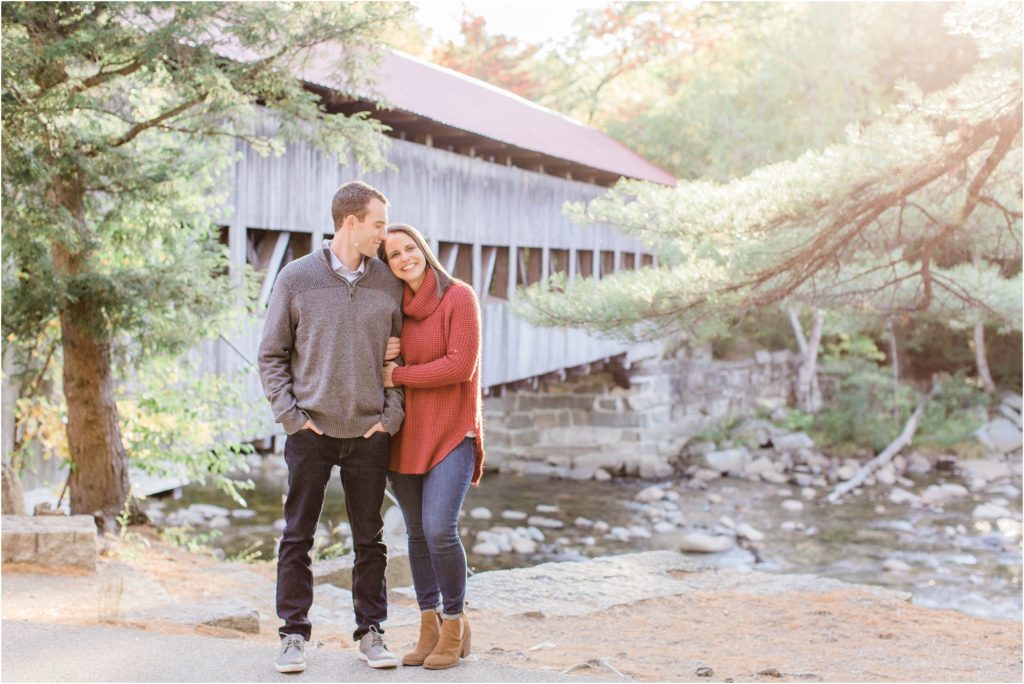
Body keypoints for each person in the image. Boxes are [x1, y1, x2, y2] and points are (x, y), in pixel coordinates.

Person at [258, 181, 405, 673]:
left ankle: (371, 632)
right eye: (379, 224)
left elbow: (403, 355)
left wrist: (390, 417)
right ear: (351, 222)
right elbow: (272, 355)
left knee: (371, 538)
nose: (384, 235)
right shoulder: (296, 279)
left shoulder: (387, 283)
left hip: (368, 434)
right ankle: (294, 634)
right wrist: (292, 419)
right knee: (298, 535)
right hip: (311, 433)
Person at [378, 223, 485, 670]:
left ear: (423, 248)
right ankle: (429, 622)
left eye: (410, 248)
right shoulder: (392, 307)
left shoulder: (459, 296)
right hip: (406, 433)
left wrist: (398, 373)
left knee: (440, 528)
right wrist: (384, 354)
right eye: (393, 255)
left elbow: (459, 366)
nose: (405, 258)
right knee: (417, 533)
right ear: (387, 266)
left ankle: (456, 621)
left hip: (452, 430)